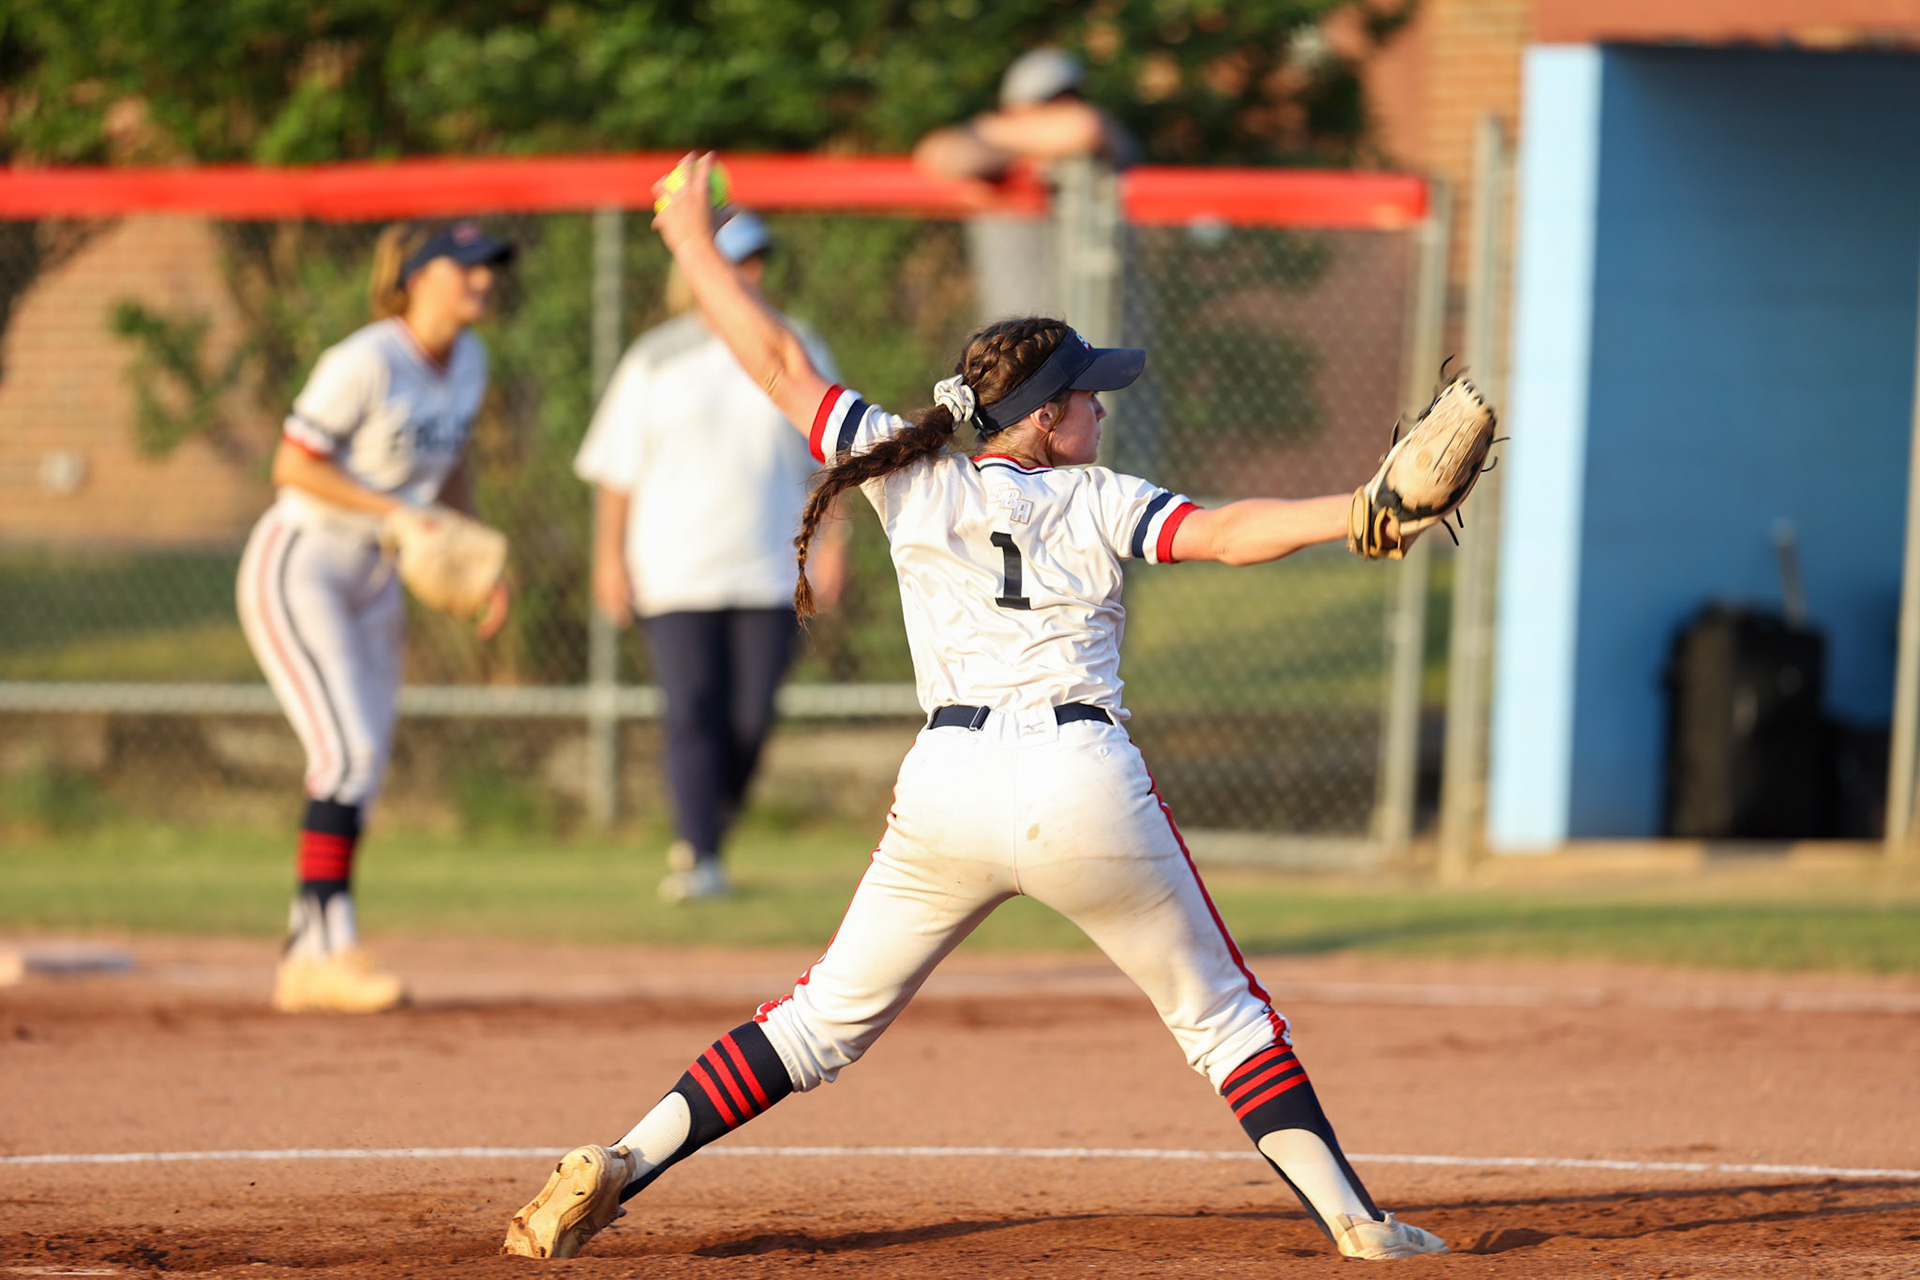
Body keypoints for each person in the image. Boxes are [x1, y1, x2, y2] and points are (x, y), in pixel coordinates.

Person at [502, 157, 1446, 1263]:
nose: (1100, 403)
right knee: (1224, 1016)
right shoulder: (1102, 497)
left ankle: (622, 1158)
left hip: (945, 788)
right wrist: (1363, 509)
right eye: (1086, 393)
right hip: (1081, 780)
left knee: (812, 1024)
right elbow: (1234, 530)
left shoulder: (909, 478)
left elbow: (772, 357)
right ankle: (1356, 1220)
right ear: (1045, 422)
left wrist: (693, 246)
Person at [236, 220, 513, 1014]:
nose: (483, 280)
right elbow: (293, 463)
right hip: (304, 561)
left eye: (489, 267)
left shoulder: (471, 361)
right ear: (418, 277)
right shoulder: (365, 360)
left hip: (377, 574)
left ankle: (306, 951)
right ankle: (328, 951)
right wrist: (398, 512)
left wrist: (478, 558)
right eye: (466, 267)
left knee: (365, 762)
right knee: (344, 753)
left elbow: (451, 463)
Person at [574, 210, 848, 903]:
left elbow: (831, 460)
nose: (748, 274)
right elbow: (617, 470)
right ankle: (700, 853)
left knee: (750, 717)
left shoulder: (798, 346)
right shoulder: (656, 357)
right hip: (674, 567)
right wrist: (609, 559)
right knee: (692, 710)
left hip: (771, 566)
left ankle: (707, 825)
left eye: (756, 260)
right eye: (733, 261)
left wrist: (834, 547)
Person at [914, 47, 1138, 322]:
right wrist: (1011, 140)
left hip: (1100, 334)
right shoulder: (997, 153)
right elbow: (937, 155)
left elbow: (1084, 128)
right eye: (1049, 101)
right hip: (1020, 341)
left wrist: (994, 130)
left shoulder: (1106, 148)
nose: (1065, 108)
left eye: (1071, 98)